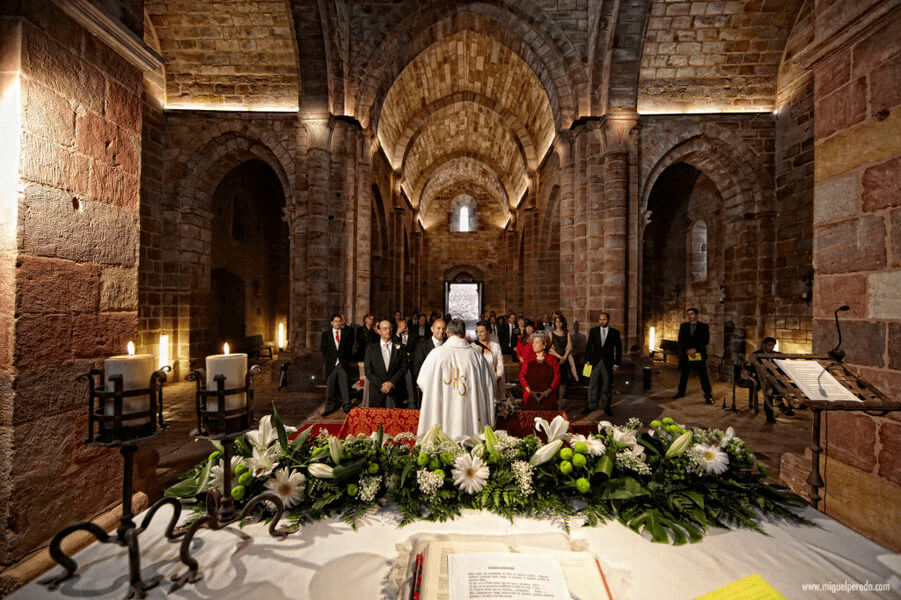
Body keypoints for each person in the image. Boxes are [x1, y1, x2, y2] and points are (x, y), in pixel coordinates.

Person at [417, 318, 495, 440]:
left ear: (447, 333)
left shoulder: (436, 354)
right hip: (470, 416)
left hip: (442, 415)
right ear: (464, 334)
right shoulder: (476, 356)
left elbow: (422, 382)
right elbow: (489, 385)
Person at [746, 336, 794, 423]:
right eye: (769, 345)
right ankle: (772, 414)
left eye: (773, 345)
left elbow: (782, 367)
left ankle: (785, 405)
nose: (771, 347)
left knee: (783, 386)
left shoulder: (777, 355)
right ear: (763, 345)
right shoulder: (756, 354)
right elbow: (753, 369)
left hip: (774, 379)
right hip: (762, 379)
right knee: (769, 391)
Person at [583, 311, 622, 416]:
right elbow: (588, 347)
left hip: (608, 363)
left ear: (608, 320)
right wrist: (587, 361)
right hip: (594, 362)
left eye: (603, 319)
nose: (601, 321)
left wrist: (617, 364)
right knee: (592, 385)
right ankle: (591, 405)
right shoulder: (593, 331)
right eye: (600, 319)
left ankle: (606, 407)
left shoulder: (615, 332)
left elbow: (619, 349)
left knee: (607, 385)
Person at [364, 319, 408, 408]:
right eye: (385, 329)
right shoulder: (371, 349)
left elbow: (403, 368)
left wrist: (391, 383)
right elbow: (368, 371)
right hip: (377, 391)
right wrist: (381, 386)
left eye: (389, 328)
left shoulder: (400, 347)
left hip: (395, 390)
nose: (388, 331)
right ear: (379, 331)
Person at [673, 307, 713, 403]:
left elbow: (705, 341)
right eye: (688, 314)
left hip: (698, 354)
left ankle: (708, 395)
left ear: (697, 315)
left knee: (703, 375)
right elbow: (680, 340)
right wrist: (687, 350)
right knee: (684, 375)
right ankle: (680, 392)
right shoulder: (683, 326)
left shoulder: (704, 327)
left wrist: (695, 350)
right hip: (686, 354)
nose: (690, 316)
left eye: (692, 314)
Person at [320, 313, 355, 416]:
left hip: (343, 364)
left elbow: (349, 348)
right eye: (335, 321)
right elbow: (323, 348)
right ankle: (329, 407)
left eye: (339, 321)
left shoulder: (346, 334)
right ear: (331, 323)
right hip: (331, 364)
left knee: (344, 386)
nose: (338, 323)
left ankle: (347, 406)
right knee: (330, 386)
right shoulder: (326, 334)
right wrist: (332, 359)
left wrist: (343, 359)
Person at [519, 332, 560, 410]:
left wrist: (547, 392)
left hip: (548, 395)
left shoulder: (552, 359)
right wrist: (529, 390)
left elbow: (557, 376)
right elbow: (521, 375)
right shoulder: (528, 359)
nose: (533, 344)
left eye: (537, 342)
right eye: (533, 342)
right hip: (530, 394)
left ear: (544, 344)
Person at [472, 320, 505, 407]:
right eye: (477, 331)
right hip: (477, 383)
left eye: (482, 331)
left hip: (493, 382)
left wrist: (494, 380)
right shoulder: (473, 346)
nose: (479, 334)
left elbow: (500, 367)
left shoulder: (495, 346)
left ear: (489, 331)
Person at [413, 318, 446, 386]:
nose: (441, 331)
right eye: (438, 328)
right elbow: (417, 369)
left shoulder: (449, 346)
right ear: (432, 329)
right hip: (428, 386)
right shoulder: (421, 346)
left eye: (444, 329)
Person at [394, 317, 418, 408]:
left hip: (409, 364)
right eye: (402, 328)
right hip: (398, 365)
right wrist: (397, 334)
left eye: (406, 327)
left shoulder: (413, 336)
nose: (405, 329)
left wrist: (409, 357)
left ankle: (412, 403)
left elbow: (416, 350)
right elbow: (395, 348)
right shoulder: (395, 337)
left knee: (409, 377)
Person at [548, 314, 579, 382]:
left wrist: (564, 357)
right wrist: (559, 357)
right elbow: (550, 347)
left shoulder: (566, 333)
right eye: (556, 322)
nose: (558, 324)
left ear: (563, 323)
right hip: (555, 356)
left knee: (564, 378)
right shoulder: (551, 333)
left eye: (560, 322)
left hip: (565, 355)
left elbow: (569, 346)